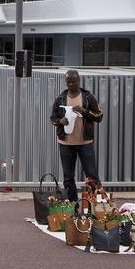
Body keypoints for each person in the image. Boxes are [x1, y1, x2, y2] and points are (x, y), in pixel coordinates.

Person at [49, 69, 104, 201]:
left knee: (92, 176)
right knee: (68, 178)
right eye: (68, 82)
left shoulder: (88, 97)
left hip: (85, 143)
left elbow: (99, 116)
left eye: (73, 82)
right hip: (66, 143)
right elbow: (52, 118)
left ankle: (96, 207)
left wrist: (84, 111)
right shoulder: (60, 99)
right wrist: (60, 121)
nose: (71, 85)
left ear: (79, 81)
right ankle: (73, 207)